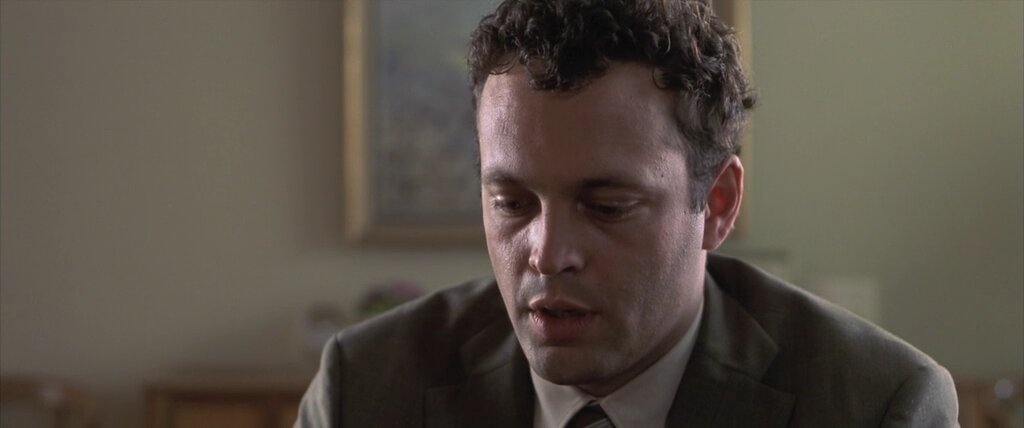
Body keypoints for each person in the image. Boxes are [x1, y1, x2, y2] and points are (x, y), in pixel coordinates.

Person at [296, 0, 959, 426]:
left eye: (608, 207)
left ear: (717, 204)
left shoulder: (875, 404)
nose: (548, 253)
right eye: (511, 203)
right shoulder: (367, 388)